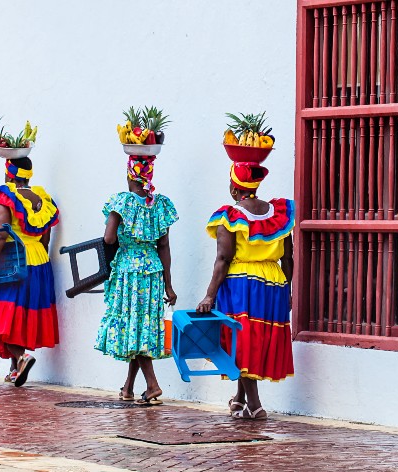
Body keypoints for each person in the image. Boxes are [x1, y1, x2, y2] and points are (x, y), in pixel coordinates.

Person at [197, 161, 295, 420]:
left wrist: (209, 295)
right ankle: (240, 399)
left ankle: (255, 403)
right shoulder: (279, 213)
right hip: (274, 281)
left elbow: (223, 259)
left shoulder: (229, 216)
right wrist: (288, 290)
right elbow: (288, 258)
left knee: (241, 343)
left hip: (241, 282)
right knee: (256, 340)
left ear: (233, 188)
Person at [95, 155, 178, 405]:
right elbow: (164, 246)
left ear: (130, 175)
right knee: (141, 326)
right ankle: (129, 387)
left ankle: (152, 385)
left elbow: (109, 239)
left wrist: (125, 237)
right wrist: (169, 285)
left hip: (129, 270)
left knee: (134, 326)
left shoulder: (122, 202)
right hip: (152, 270)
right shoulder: (159, 205)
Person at [0, 157, 60, 387]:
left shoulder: (6, 199)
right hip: (39, 261)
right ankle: (14, 368)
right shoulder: (41, 198)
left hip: (13, 261)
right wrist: (39, 261)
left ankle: (22, 358)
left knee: (1, 314)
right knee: (20, 314)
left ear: (8, 173)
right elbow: (45, 235)